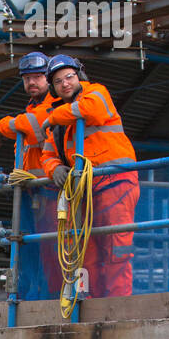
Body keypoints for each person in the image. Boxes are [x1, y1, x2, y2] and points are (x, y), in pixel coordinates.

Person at [40, 54, 139, 298]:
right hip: (84, 189)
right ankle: (91, 307)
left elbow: (91, 110)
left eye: (69, 77)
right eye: (59, 81)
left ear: (79, 76)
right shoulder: (61, 121)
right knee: (87, 254)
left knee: (116, 250)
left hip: (114, 181)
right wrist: (55, 169)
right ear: (53, 88)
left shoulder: (96, 92)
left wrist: (52, 117)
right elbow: (47, 155)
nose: (65, 83)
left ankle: (119, 306)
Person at [0, 51, 60, 298]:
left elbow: (31, 126)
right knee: (29, 247)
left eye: (38, 77)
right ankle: (29, 295)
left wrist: (2, 127)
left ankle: (46, 298)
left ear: (48, 78)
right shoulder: (33, 106)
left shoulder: (55, 102)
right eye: (27, 78)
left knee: (49, 248)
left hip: (51, 190)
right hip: (33, 191)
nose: (31, 82)